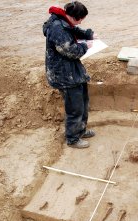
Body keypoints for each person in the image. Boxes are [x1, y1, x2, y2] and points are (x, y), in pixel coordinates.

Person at [43, 1, 96, 149]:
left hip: (72, 71)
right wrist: (85, 45)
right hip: (63, 75)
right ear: (74, 17)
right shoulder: (57, 28)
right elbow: (71, 51)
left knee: (83, 102)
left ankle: (81, 130)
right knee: (75, 108)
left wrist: (88, 34)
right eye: (81, 19)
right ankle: (72, 139)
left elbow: (73, 29)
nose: (81, 22)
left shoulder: (63, 20)